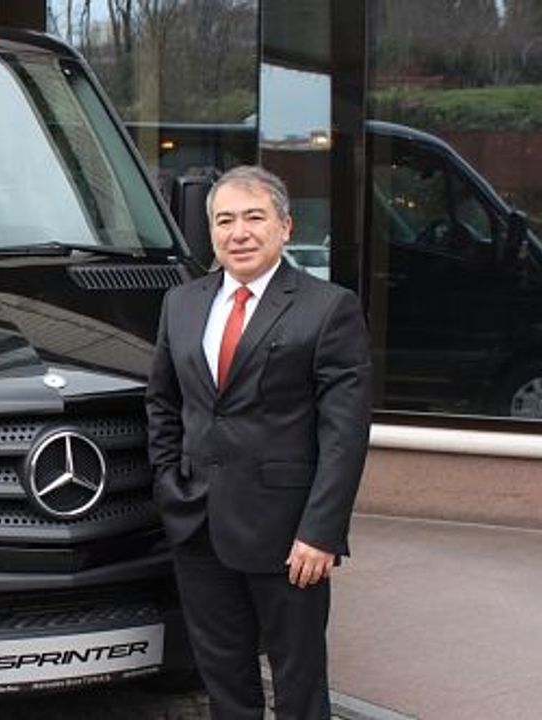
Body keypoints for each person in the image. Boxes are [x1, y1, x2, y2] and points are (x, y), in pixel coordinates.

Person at [145, 165, 372, 719]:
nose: (239, 233)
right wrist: (170, 483)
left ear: (285, 227)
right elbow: (163, 404)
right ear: (211, 231)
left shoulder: (328, 307)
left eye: (254, 217)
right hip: (198, 525)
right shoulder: (182, 303)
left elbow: (343, 433)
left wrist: (320, 532)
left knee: (298, 686)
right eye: (224, 220)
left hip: (289, 537)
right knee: (224, 683)